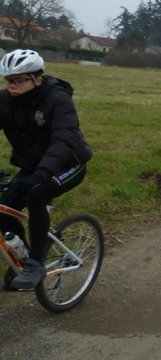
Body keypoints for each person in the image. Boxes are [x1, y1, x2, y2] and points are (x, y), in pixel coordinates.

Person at [0, 49, 92, 289]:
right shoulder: (5, 102)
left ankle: (37, 264)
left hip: (68, 164)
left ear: (37, 79)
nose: (12, 86)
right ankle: (24, 260)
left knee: (36, 194)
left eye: (19, 80)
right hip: (33, 166)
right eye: (9, 80)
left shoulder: (57, 100)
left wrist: (42, 174)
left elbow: (63, 141)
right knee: (4, 211)